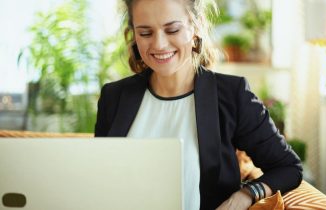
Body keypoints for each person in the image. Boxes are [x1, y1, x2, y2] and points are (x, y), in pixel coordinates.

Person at [94, 0, 303, 209]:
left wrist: (246, 194)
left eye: (172, 29)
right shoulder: (114, 97)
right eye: (145, 33)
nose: (159, 44)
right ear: (133, 35)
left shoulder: (232, 95)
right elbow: (101, 178)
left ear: (196, 25)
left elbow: (288, 168)